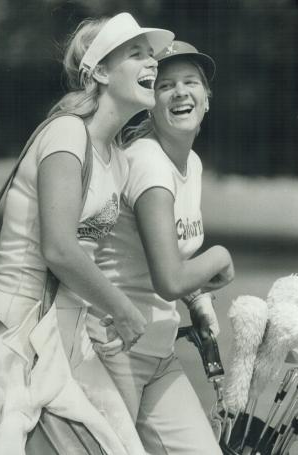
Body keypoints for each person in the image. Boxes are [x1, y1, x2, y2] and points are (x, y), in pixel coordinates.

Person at [0, 12, 174, 453]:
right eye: (136, 54)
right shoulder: (67, 134)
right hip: (13, 334)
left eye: (153, 55)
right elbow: (60, 249)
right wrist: (120, 308)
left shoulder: (117, 158)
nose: (153, 63)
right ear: (100, 71)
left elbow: (100, 258)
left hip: (67, 340)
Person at [87, 40, 235, 454]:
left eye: (191, 82)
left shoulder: (192, 164)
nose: (180, 92)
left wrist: (198, 302)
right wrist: (220, 257)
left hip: (158, 352)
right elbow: (169, 278)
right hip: (114, 351)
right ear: (150, 102)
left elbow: (171, 255)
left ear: (207, 99)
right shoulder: (148, 161)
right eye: (166, 85)